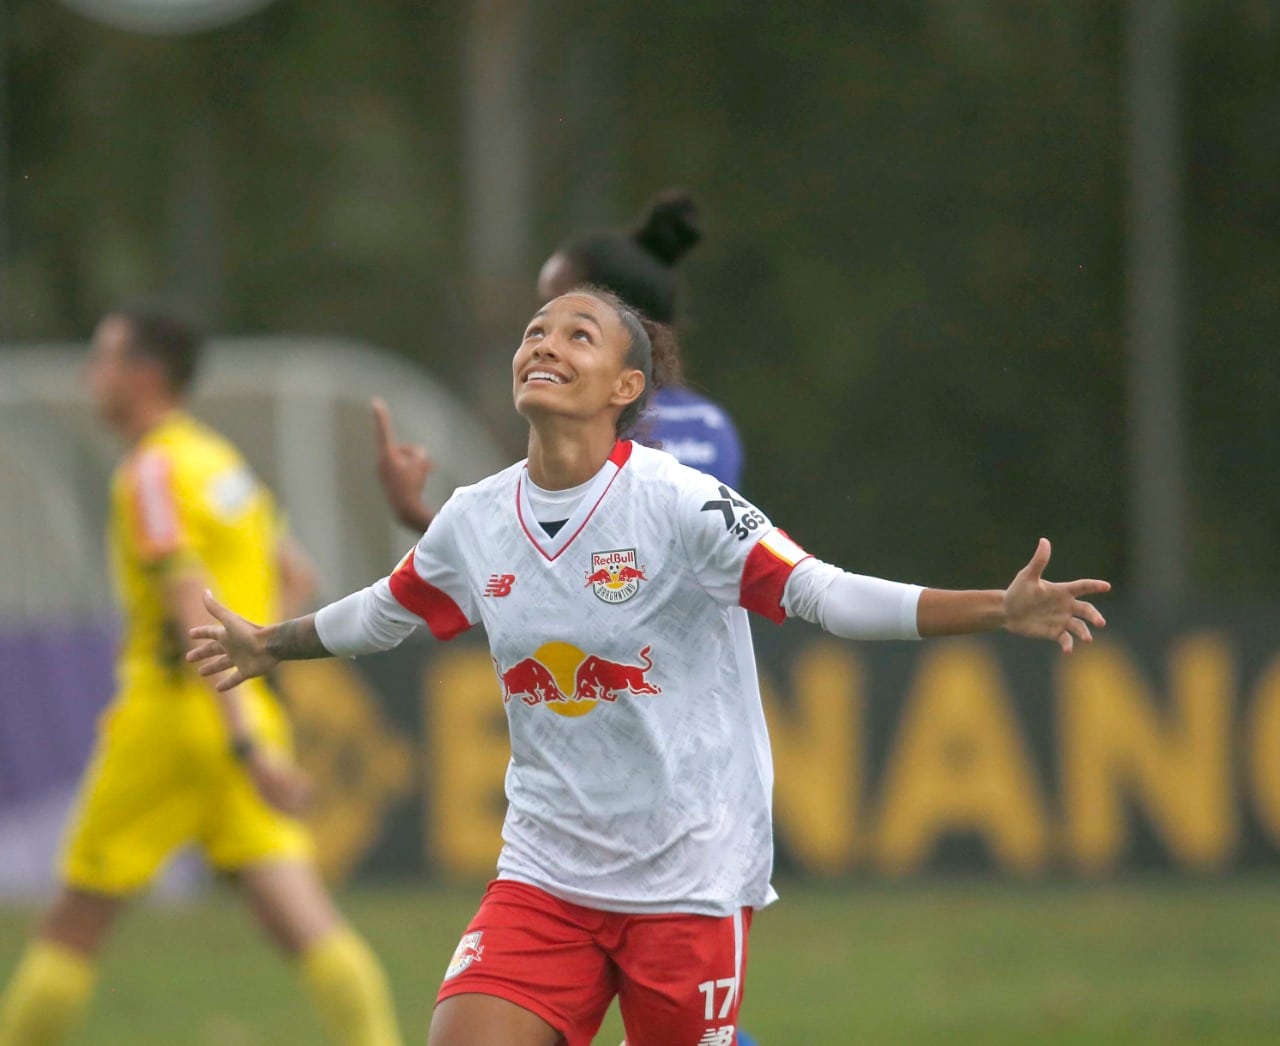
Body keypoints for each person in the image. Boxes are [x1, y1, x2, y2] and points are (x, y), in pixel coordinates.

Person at [186, 287, 1109, 1046]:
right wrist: (270, 643)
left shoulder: (682, 506)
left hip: (687, 879)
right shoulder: (475, 516)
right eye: (534, 332)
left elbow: (828, 595)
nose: (545, 344)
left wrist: (999, 607)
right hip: (545, 876)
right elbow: (387, 612)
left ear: (626, 383)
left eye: (576, 335)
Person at [0, 305, 403, 1046]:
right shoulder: (223, 465)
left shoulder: (153, 469)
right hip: (243, 713)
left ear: (144, 375)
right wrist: (251, 727)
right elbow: (295, 574)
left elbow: (189, 600)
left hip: (173, 721)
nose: (93, 377)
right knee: (310, 928)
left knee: (70, 927)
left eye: (103, 360)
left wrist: (240, 741)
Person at [373, 188, 742, 534]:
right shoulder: (711, 424)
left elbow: (549, 571)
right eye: (540, 319)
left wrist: (416, 513)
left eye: (570, 324)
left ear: (623, 322)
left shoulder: (599, 439)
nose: (542, 340)